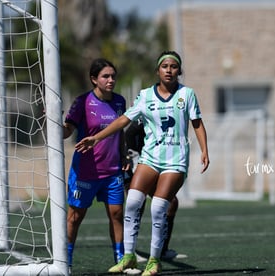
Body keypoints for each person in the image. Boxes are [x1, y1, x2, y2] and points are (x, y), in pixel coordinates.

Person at [75, 51, 210, 276]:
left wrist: (205, 150)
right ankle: (128, 258)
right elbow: (123, 120)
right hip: (149, 158)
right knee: (133, 202)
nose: (169, 69)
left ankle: (154, 261)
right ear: (157, 71)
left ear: (179, 71)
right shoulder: (146, 95)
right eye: (164, 66)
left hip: (175, 161)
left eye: (174, 66)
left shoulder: (187, 94)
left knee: (158, 208)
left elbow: (197, 123)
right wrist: (96, 138)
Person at [63, 58, 129, 272]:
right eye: (105, 76)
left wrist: (124, 156)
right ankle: (66, 260)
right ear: (94, 79)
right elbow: (67, 132)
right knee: (75, 217)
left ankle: (121, 259)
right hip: (85, 173)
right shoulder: (82, 102)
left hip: (112, 172)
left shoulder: (119, 102)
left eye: (113, 76)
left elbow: (120, 133)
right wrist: (53, 123)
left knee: (117, 214)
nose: (111, 80)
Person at [124, 119, 180, 260]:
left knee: (171, 203)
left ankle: (162, 250)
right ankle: (128, 253)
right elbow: (129, 133)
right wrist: (133, 157)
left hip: (153, 163)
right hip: (136, 165)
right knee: (136, 205)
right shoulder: (150, 108)